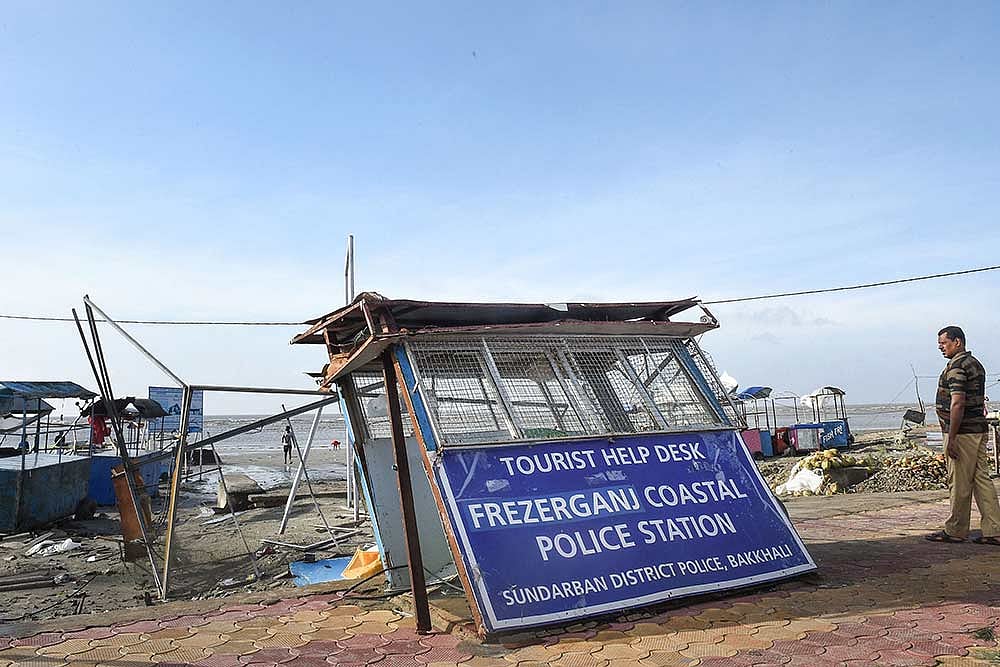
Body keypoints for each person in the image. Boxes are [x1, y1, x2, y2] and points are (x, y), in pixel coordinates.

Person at [926, 326, 1000, 545]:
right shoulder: (975, 363)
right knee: (982, 480)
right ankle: (994, 529)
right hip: (978, 429)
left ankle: (955, 530)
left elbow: (957, 402)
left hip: (963, 432)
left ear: (957, 342)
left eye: (944, 343)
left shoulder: (957, 366)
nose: (940, 347)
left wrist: (952, 437)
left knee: (958, 481)